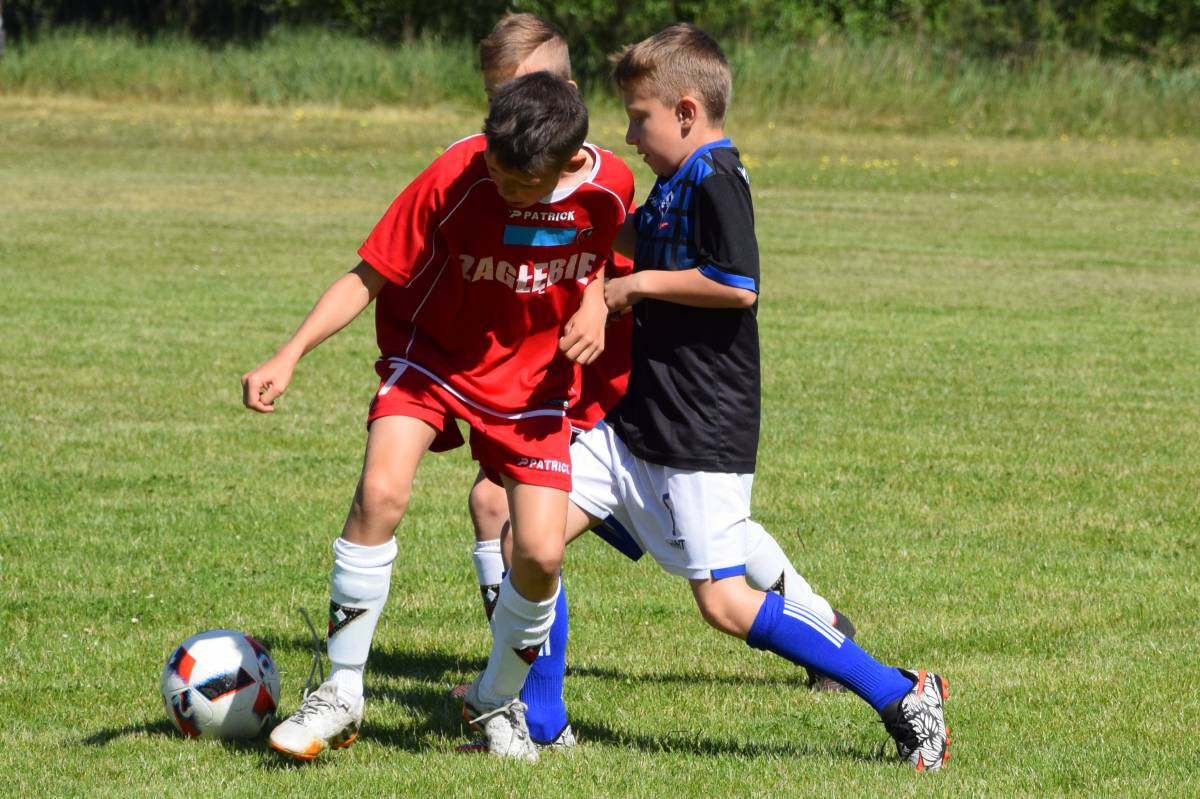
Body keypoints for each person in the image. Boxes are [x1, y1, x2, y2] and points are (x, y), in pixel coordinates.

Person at [500, 24, 951, 770]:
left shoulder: (717, 176)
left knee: (725, 604)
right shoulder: (674, 183)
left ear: (684, 111)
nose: (629, 133)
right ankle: (543, 717)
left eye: (638, 117)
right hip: (637, 426)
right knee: (528, 539)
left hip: (701, 433)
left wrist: (629, 288)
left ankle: (905, 693)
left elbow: (738, 285)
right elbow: (623, 239)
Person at [242, 71, 635, 762]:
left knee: (540, 553)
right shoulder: (458, 171)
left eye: (519, 185)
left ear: (570, 163)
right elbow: (368, 274)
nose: (501, 187)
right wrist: (289, 353)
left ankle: (495, 699)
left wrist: (598, 301)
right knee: (380, 492)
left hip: (535, 386)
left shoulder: (610, 187)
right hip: (432, 359)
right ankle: (341, 690)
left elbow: (612, 261)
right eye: (494, 167)